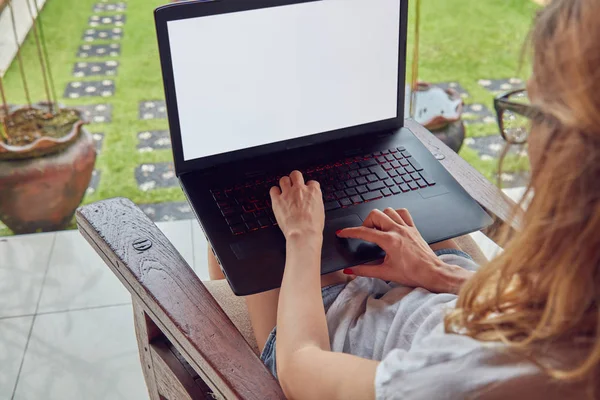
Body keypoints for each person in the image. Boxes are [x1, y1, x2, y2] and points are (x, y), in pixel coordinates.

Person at [208, 0, 600, 398]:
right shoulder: (580, 298)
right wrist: (439, 274)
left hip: (333, 332)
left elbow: (299, 368)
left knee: (239, 208)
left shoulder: (458, 380)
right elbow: (551, 312)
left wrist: (303, 237)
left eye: (532, 111)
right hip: (447, 288)